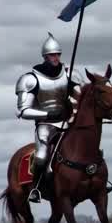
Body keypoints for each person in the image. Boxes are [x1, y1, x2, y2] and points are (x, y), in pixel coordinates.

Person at [15, 32, 80, 203]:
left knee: (86, 146)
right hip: (45, 125)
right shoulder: (30, 79)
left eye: (58, 54)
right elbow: (23, 110)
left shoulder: (70, 74)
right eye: (52, 55)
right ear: (45, 56)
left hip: (67, 123)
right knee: (42, 156)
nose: (56, 57)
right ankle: (36, 188)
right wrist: (49, 114)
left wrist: (72, 107)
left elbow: (80, 98)